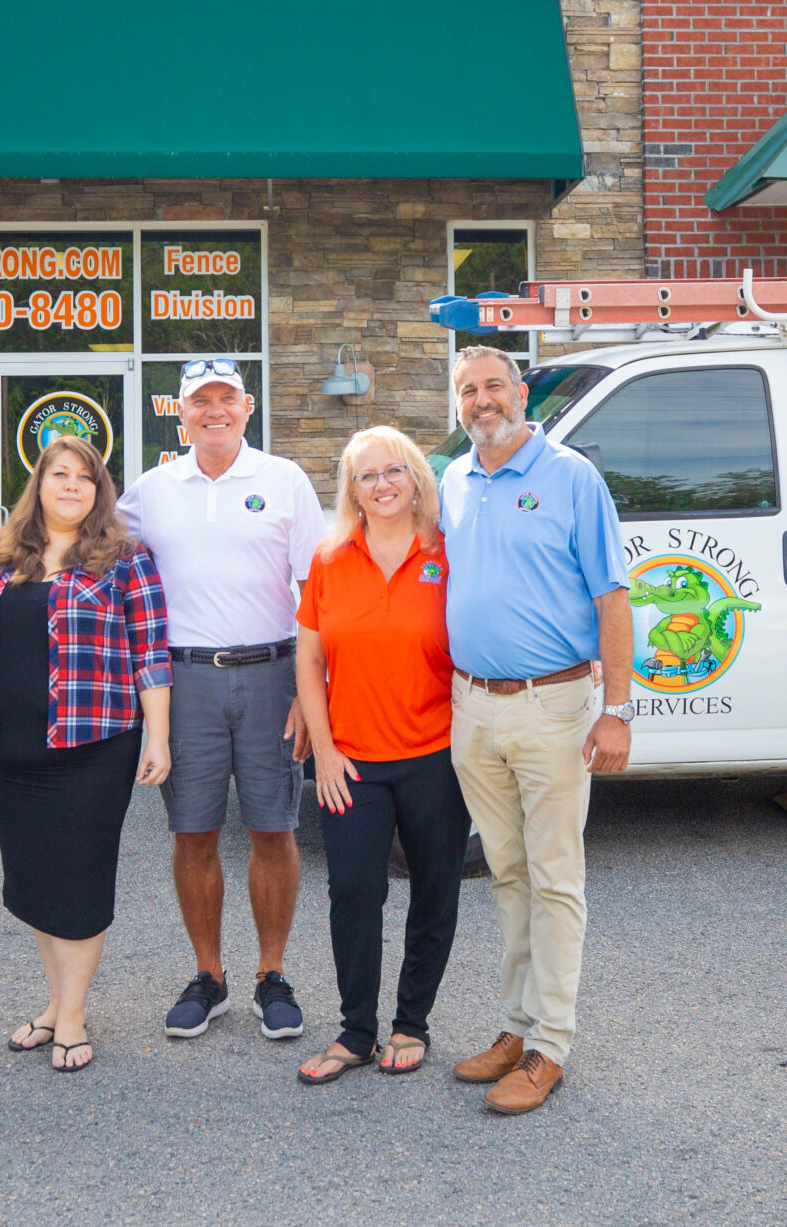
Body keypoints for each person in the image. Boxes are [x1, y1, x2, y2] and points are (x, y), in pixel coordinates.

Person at [437, 346, 634, 1115]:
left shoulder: (571, 477)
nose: (481, 400)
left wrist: (617, 709)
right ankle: (515, 1026)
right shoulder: (455, 479)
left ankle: (551, 1043)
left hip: (553, 706)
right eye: (467, 391)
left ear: (520, 393)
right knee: (509, 874)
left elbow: (612, 597)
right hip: (474, 706)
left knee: (556, 878)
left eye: (492, 386)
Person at [0, 436, 173, 1074]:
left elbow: (150, 652)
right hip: (8, 746)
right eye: (60, 475)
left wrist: (157, 737)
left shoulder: (126, 559)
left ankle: (72, 1014)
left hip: (94, 745)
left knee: (79, 875)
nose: (72, 486)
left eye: (86, 478)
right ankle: (56, 1003)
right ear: (39, 484)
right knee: (34, 875)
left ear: (100, 491)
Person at [116, 358, 325, 1042]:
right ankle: (209, 975)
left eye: (225, 399)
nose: (213, 410)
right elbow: (90, 552)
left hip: (271, 674)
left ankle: (271, 974)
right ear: (178, 413)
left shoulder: (283, 480)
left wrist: (308, 689)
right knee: (194, 831)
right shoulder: (151, 490)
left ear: (247, 405)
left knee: (274, 827)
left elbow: (317, 593)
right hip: (186, 681)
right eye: (199, 401)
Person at [291, 427, 473, 1085]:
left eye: (394, 470)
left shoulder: (451, 552)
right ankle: (356, 1031)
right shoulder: (332, 557)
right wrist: (327, 752)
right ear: (352, 490)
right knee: (353, 892)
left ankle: (411, 1023)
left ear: (417, 478)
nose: (383, 484)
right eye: (367, 475)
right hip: (354, 762)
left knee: (435, 890)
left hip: (437, 755)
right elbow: (308, 659)